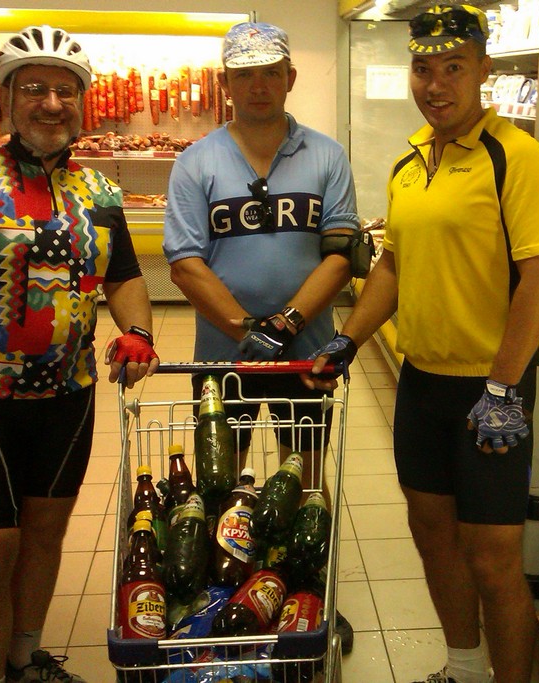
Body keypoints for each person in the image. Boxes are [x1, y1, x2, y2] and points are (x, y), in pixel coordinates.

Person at [306, 5, 539, 682]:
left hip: (492, 387)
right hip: (423, 382)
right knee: (432, 536)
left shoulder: (517, 158)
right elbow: (393, 265)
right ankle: (464, 666)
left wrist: (504, 387)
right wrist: (347, 342)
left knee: (493, 557)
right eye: (424, 68)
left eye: (454, 67)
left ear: (483, 69)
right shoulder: (411, 159)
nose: (436, 84)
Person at [0, 25, 159, 683]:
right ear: (6, 99)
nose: (51, 104)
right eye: (35, 89)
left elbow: (124, 277)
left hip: (69, 396)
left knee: (45, 535)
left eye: (65, 91)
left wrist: (138, 331)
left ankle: (24, 659)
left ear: (82, 102)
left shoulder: (99, 192)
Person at [161, 22, 359, 653]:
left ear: (290, 78)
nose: (258, 86)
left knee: (307, 481)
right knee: (223, 485)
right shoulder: (196, 161)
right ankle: (224, 601)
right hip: (225, 360)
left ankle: (306, 595)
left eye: (270, 72)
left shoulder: (326, 156)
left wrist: (287, 324)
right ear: (226, 84)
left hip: (308, 358)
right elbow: (185, 262)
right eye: (244, 75)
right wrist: (245, 329)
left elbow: (341, 255)